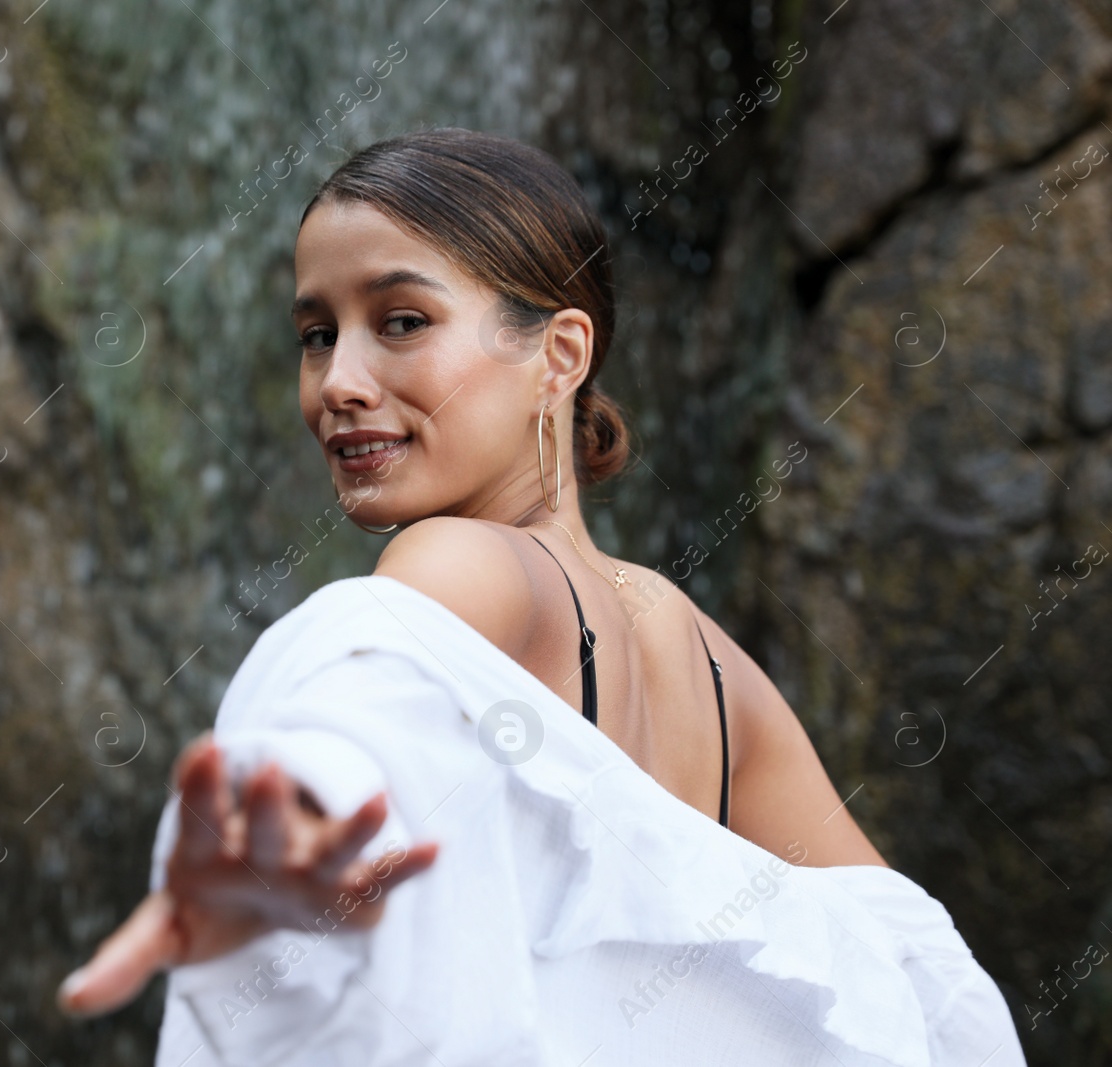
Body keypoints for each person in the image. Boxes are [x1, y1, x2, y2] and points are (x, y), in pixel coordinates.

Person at [54, 128, 1026, 1065]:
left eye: (400, 320)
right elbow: (920, 974)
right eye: (316, 333)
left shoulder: (457, 559)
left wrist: (295, 820)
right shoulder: (719, 671)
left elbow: (359, 711)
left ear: (559, 356)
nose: (337, 382)